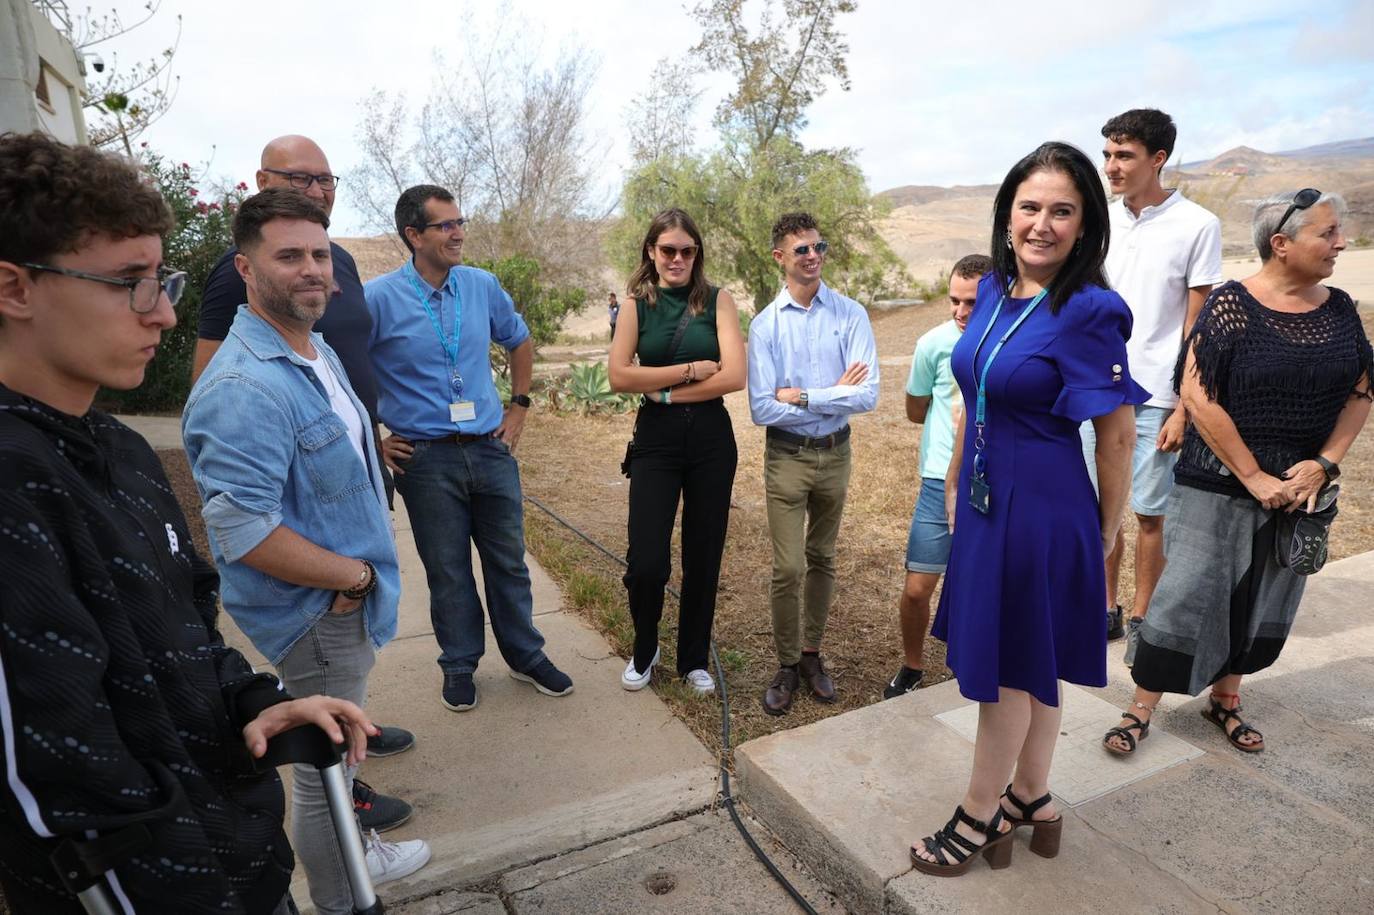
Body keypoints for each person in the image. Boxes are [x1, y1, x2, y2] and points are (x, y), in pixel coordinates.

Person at [0, 131, 373, 914]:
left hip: (243, 858)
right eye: (129, 282)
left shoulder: (124, 452)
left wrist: (253, 699)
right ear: (15, 287)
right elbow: (46, 782)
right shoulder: (14, 483)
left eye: (162, 278)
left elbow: (189, 635)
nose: (166, 313)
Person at [183, 189, 432, 912]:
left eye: (320, 254)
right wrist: (352, 575)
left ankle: (355, 864)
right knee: (324, 778)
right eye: (288, 255)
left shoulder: (311, 345)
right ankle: (345, 895)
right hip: (316, 610)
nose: (312, 269)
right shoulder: (242, 386)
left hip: (339, 599)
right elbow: (244, 531)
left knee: (339, 761)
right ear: (246, 267)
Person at [910, 142, 1145, 875]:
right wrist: (952, 475)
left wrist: (1106, 527)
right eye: (1030, 207)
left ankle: (979, 813)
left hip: (1043, 511)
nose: (1043, 224)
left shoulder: (1087, 309)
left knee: (1009, 664)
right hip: (987, 503)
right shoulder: (991, 292)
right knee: (1030, 658)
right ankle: (1032, 796)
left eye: (1062, 211)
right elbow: (973, 394)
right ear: (1007, 215)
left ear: (1086, 225)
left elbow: (1116, 433)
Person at [1103, 190, 1370, 757]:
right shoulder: (1231, 304)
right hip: (1218, 479)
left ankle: (1226, 699)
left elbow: (1361, 392)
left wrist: (1322, 466)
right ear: (1281, 243)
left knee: (1265, 595)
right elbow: (1198, 396)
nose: (1339, 243)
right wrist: (1253, 476)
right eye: (1327, 233)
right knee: (1188, 593)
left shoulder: (1340, 308)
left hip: (1300, 488)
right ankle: (1141, 707)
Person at [365, 184, 573, 712]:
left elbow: (519, 339)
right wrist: (372, 434)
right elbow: (344, 368)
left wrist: (519, 406)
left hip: (489, 449)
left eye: (460, 222)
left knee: (508, 562)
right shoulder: (379, 298)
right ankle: (459, 665)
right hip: (426, 459)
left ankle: (526, 655)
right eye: (445, 225)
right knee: (448, 568)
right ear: (414, 235)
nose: (458, 233)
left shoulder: (480, 286)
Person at [1082, 109, 1222, 660]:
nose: (1111, 166)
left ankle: (1143, 614)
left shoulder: (1197, 225)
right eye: (1109, 155)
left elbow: (1198, 327)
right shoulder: (1100, 221)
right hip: (1093, 391)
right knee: (1099, 508)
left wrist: (1185, 407)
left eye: (1124, 156)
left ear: (1157, 159)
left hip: (1157, 397)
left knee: (1149, 512)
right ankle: (1103, 608)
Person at [607, 208, 746, 695]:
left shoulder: (718, 300)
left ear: (697, 254)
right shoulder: (635, 304)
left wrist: (662, 390)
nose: (678, 259)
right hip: (656, 441)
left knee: (703, 553)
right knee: (646, 560)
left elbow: (733, 376)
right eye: (668, 250)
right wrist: (688, 374)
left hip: (711, 438)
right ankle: (646, 647)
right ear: (651, 251)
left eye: (688, 251)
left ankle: (693, 659)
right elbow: (620, 376)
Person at [747, 211, 880, 715]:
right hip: (786, 457)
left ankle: (810, 655)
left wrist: (804, 396)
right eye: (800, 249)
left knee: (822, 557)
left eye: (818, 246)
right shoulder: (764, 325)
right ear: (779, 257)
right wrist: (836, 393)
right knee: (788, 566)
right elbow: (762, 407)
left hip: (835, 453)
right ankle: (784, 663)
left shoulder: (850, 314)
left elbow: (866, 396)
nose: (813, 256)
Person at [884, 254, 992, 699]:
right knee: (917, 588)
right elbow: (915, 408)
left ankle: (977, 664)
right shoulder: (934, 344)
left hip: (992, 482)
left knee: (980, 587)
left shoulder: (1009, 344)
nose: (961, 312)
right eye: (954, 301)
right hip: (937, 481)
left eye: (972, 302)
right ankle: (912, 665)